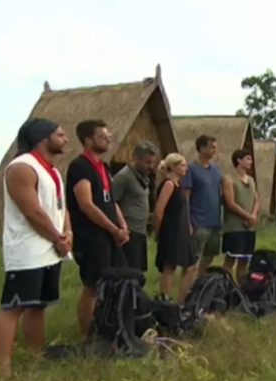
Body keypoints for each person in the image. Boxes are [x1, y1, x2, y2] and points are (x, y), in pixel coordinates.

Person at [0, 118, 72, 377]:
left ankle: (37, 356)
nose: (65, 139)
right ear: (43, 137)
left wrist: (68, 233)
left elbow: (61, 207)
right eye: (60, 134)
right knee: (13, 307)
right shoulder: (22, 167)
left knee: (38, 305)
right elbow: (32, 211)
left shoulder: (53, 170)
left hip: (50, 249)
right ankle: (2, 369)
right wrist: (58, 238)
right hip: (28, 251)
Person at [66, 119, 130, 336]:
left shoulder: (104, 166)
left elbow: (110, 200)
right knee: (93, 285)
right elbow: (86, 204)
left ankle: (109, 326)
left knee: (115, 282)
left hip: (111, 235)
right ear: (88, 140)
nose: (108, 139)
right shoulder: (80, 167)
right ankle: (86, 333)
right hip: (91, 236)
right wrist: (113, 229)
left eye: (108, 136)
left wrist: (122, 225)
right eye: (102, 137)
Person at [154, 153, 198, 303]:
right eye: (183, 165)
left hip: (182, 230)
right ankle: (165, 300)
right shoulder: (169, 184)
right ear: (173, 167)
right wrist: (158, 232)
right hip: (171, 230)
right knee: (169, 267)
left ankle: (181, 301)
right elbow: (159, 211)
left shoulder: (179, 185)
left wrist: (188, 226)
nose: (186, 168)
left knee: (191, 266)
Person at [113, 141, 159, 273]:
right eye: (147, 162)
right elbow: (112, 202)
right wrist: (121, 227)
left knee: (139, 273)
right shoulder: (124, 177)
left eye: (152, 162)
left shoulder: (143, 178)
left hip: (140, 232)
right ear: (135, 158)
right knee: (130, 273)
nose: (150, 166)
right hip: (129, 232)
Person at [182, 135, 223, 281]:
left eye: (215, 148)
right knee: (193, 259)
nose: (214, 150)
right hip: (198, 221)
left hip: (215, 222)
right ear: (201, 148)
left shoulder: (216, 170)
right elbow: (186, 197)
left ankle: (199, 284)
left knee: (209, 258)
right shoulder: (191, 169)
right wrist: (188, 222)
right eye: (211, 147)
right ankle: (187, 288)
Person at [221, 149, 260, 283]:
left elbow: (256, 200)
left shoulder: (251, 180)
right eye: (248, 158)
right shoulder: (228, 179)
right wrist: (247, 217)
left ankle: (242, 287)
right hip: (234, 226)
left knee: (244, 260)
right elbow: (230, 203)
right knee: (230, 260)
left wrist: (253, 216)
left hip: (249, 227)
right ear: (238, 160)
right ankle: (225, 286)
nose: (251, 161)